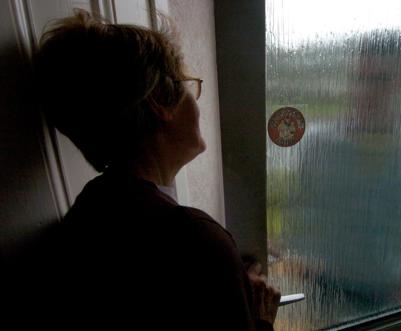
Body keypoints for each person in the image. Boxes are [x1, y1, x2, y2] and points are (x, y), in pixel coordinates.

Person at [10, 9, 280, 330]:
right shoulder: (195, 239)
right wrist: (260, 318)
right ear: (158, 102)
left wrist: (225, 281)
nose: (196, 102)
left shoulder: (89, 209)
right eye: (188, 85)